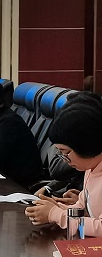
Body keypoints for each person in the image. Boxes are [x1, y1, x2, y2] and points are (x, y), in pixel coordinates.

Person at [26, 97, 102, 235]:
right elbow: (83, 208)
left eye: (66, 152)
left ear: (86, 144)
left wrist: (56, 214)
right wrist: (58, 208)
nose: (64, 160)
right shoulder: (91, 168)